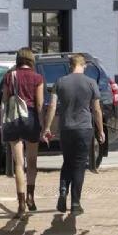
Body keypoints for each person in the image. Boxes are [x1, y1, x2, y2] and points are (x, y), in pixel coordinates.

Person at [42, 53, 105, 213]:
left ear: (70, 66)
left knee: (67, 162)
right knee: (79, 164)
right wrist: (100, 130)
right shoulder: (91, 82)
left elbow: (52, 106)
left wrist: (47, 127)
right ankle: (75, 203)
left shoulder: (60, 82)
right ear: (84, 66)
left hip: (66, 128)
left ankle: (63, 192)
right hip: (84, 128)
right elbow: (97, 110)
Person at [0, 48, 44, 215]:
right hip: (31, 118)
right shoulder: (37, 78)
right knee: (32, 161)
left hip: (14, 118)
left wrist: (2, 122)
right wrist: (42, 124)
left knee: (19, 163)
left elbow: (4, 102)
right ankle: (30, 197)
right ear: (31, 59)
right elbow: (39, 104)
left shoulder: (9, 76)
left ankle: (20, 203)